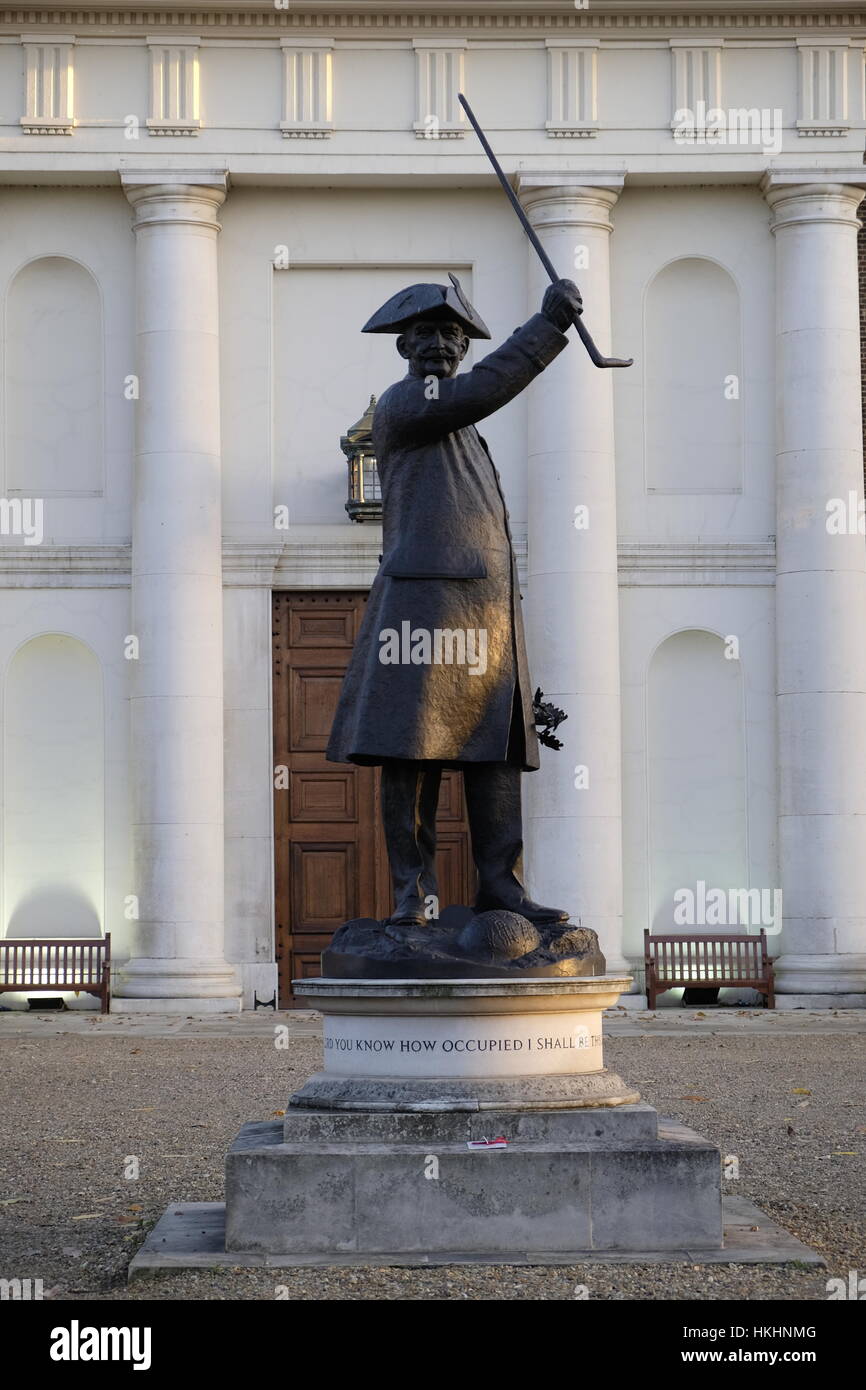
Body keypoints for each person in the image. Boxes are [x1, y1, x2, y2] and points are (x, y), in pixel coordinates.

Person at [326, 273, 584, 927]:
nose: (441, 341)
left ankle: (502, 884)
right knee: (410, 749)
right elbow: (479, 392)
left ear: (464, 343)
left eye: (452, 332)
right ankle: (413, 891)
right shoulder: (408, 403)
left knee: (494, 752)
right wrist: (547, 327)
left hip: (487, 611)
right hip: (424, 606)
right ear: (404, 346)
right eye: (427, 332)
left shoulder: (462, 430)